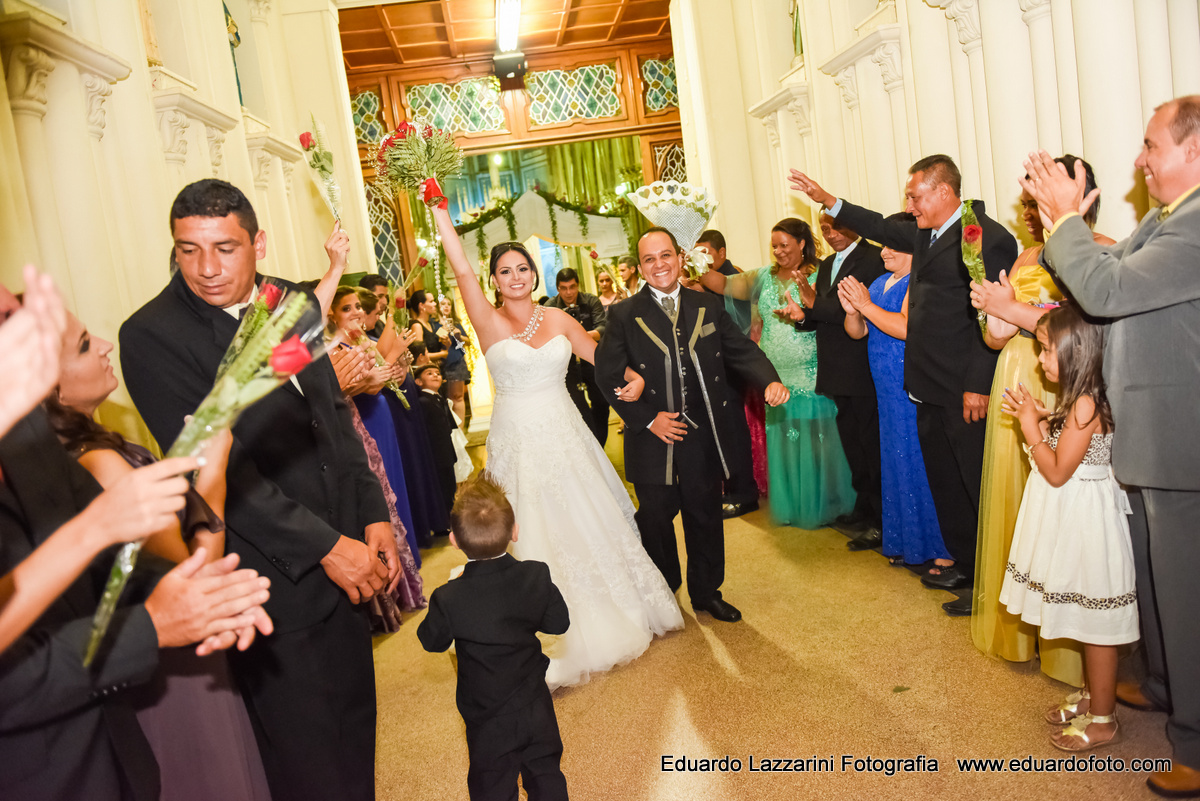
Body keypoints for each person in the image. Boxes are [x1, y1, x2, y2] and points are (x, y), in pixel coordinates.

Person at [120, 179, 395, 801]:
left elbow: (333, 423)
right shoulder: (152, 336)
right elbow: (221, 473)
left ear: (258, 242)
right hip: (270, 579)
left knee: (356, 731)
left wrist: (374, 515)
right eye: (188, 250)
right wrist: (328, 547)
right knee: (306, 758)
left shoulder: (293, 303)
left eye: (224, 248)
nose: (206, 268)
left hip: (347, 555)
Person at [1020, 94, 1200, 798]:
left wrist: (1066, 218)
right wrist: (1058, 222)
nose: (1140, 158)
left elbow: (1103, 289)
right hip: (1155, 435)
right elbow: (1093, 269)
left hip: (1182, 438)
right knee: (1159, 587)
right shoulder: (1166, 220)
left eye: (1152, 145)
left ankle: (1196, 742)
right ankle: (1163, 687)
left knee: (1187, 597)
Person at [432, 203, 682, 688]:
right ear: (494, 280)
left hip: (565, 432)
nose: (516, 276)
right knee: (528, 524)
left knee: (585, 516)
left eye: (523, 267)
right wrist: (440, 210)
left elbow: (602, 361)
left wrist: (633, 381)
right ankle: (528, 629)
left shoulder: (560, 319)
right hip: (516, 438)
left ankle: (617, 610)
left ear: (534, 271)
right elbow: (459, 264)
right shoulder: (486, 320)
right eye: (504, 271)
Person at [44, 309, 272, 800]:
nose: (105, 344)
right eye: (85, 345)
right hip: (172, 666)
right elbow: (196, 576)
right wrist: (214, 470)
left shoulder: (69, 455)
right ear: (48, 385)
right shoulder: (98, 462)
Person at [0, 404, 273, 801]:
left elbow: (113, 555)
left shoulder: (24, 423)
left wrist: (194, 594)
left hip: (114, 751)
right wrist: (150, 627)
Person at [789, 156, 1018, 617]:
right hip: (926, 384)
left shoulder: (980, 236)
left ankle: (993, 581)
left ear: (944, 192)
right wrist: (829, 200)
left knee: (973, 485)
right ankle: (965, 566)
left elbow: (993, 314)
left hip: (961, 388)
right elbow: (879, 225)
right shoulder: (927, 232)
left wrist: (978, 382)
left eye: (915, 196)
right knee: (946, 484)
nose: (909, 206)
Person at [597, 227, 790, 623]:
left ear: (680, 258)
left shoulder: (706, 306)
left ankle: (706, 592)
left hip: (702, 434)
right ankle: (664, 589)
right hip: (653, 438)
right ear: (640, 267)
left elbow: (740, 350)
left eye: (665, 256)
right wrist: (648, 419)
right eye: (649, 259)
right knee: (654, 518)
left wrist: (768, 379)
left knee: (704, 516)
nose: (659, 265)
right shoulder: (623, 314)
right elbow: (607, 374)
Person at [968, 156, 1112, 676]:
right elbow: (994, 336)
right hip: (1018, 375)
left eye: (1040, 198)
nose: (1031, 211)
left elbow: (1095, 327)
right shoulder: (1027, 255)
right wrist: (997, 315)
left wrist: (1016, 311)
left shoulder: (1104, 253)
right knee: (1021, 503)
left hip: (1069, 383)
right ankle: (1022, 629)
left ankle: (1073, 652)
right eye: (1028, 201)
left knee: (1066, 504)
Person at [998, 305, 1136, 752]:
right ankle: (1094, 696)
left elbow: (1057, 470)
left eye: (1045, 350)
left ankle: (1104, 719)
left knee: (1096, 625)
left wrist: (1030, 427)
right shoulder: (1080, 398)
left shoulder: (1084, 404)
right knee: (1081, 611)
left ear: (1076, 351)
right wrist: (1043, 415)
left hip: (1085, 523)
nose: (1040, 360)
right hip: (1072, 517)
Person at [417, 476, 570, 801]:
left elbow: (432, 640)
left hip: (486, 716)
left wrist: (448, 594)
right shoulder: (536, 574)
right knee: (546, 774)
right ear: (514, 530)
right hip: (535, 706)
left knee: (492, 786)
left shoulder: (449, 597)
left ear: (454, 540)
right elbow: (559, 623)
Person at [702, 218, 856, 531]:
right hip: (775, 372)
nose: (778, 252)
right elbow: (720, 284)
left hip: (810, 367)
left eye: (784, 245)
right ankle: (794, 504)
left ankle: (829, 503)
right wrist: (692, 262)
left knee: (819, 440)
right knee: (785, 439)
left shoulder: (822, 273)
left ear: (802, 243)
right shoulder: (762, 277)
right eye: (774, 246)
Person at [837, 217, 950, 570]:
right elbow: (858, 333)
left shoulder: (920, 281)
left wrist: (867, 306)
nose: (883, 251)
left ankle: (938, 546)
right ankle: (904, 540)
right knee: (894, 460)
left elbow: (904, 328)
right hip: (883, 386)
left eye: (891, 244)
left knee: (917, 460)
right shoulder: (881, 281)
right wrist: (852, 312)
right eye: (882, 244)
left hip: (909, 383)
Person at [326, 285, 426, 580]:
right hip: (365, 419)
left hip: (380, 414)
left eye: (358, 306)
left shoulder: (359, 340)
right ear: (331, 315)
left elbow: (381, 372)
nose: (357, 312)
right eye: (347, 308)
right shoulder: (334, 347)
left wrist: (394, 367)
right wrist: (392, 357)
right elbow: (365, 385)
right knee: (381, 490)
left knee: (393, 484)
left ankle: (408, 557)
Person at [694, 230, 759, 519]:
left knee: (733, 430)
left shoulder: (734, 280)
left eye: (706, 253)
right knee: (719, 429)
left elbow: (732, 325)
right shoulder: (701, 282)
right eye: (697, 254)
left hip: (732, 363)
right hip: (712, 365)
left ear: (721, 253)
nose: (702, 260)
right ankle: (730, 488)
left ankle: (744, 494)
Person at [544, 267, 611, 445]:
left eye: (572, 287)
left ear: (578, 286)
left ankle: (600, 447)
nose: (569, 292)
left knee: (602, 404)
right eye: (564, 288)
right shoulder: (550, 308)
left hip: (591, 360)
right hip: (566, 366)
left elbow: (602, 328)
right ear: (557, 288)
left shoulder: (590, 300)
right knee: (578, 408)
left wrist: (578, 336)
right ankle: (591, 449)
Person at [414, 363, 459, 520]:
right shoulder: (423, 402)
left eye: (437, 373)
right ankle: (444, 520)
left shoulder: (439, 398)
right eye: (429, 373)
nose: (435, 375)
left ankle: (451, 515)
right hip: (435, 455)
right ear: (418, 382)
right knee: (442, 489)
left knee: (450, 486)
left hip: (445, 452)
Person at [436, 294, 472, 424]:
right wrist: (442, 331)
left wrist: (459, 336)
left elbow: (468, 342)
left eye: (448, 304)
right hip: (441, 364)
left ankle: (460, 432)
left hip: (457, 362)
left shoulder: (455, 323)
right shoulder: (433, 323)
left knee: (458, 397)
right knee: (446, 399)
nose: (446, 307)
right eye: (443, 304)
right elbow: (434, 341)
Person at [409, 289, 449, 364]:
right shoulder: (417, 326)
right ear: (421, 306)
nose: (435, 304)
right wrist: (442, 354)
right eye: (431, 301)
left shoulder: (432, 323)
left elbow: (445, 342)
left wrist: (446, 341)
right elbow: (420, 355)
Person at [359, 273, 390, 338]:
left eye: (386, 297)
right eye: (380, 296)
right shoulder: (355, 328)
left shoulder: (379, 324)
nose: (385, 302)